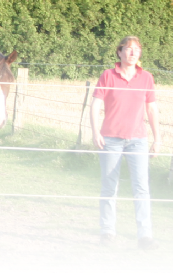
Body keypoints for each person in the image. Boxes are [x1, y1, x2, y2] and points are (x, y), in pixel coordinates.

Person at [90, 36, 161, 250]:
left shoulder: (147, 78)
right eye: (128, 49)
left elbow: (151, 109)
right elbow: (95, 105)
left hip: (138, 139)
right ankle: (107, 231)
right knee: (109, 185)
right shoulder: (107, 76)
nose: (132, 53)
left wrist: (157, 138)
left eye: (136, 49)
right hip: (110, 138)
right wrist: (95, 131)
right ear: (119, 52)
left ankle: (145, 236)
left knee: (141, 186)